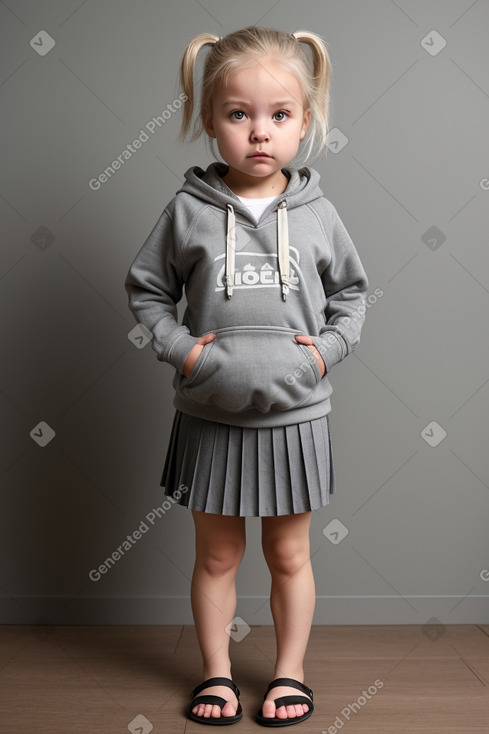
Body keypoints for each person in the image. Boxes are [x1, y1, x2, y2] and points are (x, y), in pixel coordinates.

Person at [125, 25, 369, 727]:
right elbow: (145, 293)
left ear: (305, 121)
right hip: (211, 414)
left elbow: (353, 295)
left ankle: (289, 673)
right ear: (210, 120)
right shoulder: (188, 212)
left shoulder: (318, 213)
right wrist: (187, 353)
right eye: (238, 114)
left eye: (279, 115)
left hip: (294, 417)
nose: (258, 133)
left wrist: (323, 352)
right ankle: (216, 676)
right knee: (217, 557)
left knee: (290, 555)